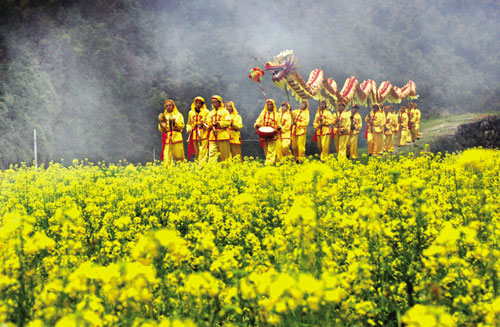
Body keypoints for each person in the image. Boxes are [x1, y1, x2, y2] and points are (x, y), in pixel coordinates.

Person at [254, 99, 281, 165]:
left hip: (273, 134)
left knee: (271, 150)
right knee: (266, 150)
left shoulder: (277, 115)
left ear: (273, 106)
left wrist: (279, 127)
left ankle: (269, 163)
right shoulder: (263, 113)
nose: (269, 106)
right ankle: (271, 161)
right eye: (268, 105)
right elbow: (258, 121)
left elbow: (280, 123)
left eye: (271, 105)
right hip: (264, 134)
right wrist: (256, 125)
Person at [206, 95, 231, 163]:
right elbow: (208, 123)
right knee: (212, 154)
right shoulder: (210, 113)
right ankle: (212, 170)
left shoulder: (225, 112)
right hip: (213, 136)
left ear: (219, 103)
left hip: (223, 136)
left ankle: (227, 169)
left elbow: (228, 122)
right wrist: (209, 125)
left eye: (215, 102)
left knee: (225, 155)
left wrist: (219, 123)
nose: (214, 104)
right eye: (213, 102)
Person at [186, 96, 209, 162]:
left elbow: (209, 122)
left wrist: (203, 124)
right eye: (196, 103)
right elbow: (189, 123)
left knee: (203, 151)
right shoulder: (191, 112)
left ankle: (202, 165)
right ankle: (198, 165)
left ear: (202, 104)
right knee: (196, 152)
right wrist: (189, 129)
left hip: (203, 134)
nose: (198, 104)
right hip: (194, 135)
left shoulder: (206, 112)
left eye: (199, 103)